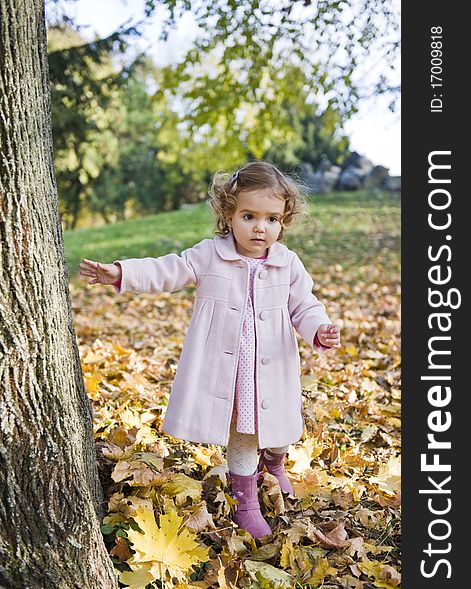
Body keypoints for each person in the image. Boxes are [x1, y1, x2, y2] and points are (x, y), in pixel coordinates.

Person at [79, 161, 341, 540]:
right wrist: (123, 272)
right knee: (243, 434)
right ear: (228, 214)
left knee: (280, 428)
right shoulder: (209, 255)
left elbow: (305, 306)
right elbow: (167, 269)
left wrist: (320, 329)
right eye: (249, 216)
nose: (259, 227)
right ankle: (246, 502)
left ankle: (276, 463)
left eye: (271, 219)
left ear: (284, 222)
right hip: (234, 373)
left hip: (273, 367)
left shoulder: (288, 264)